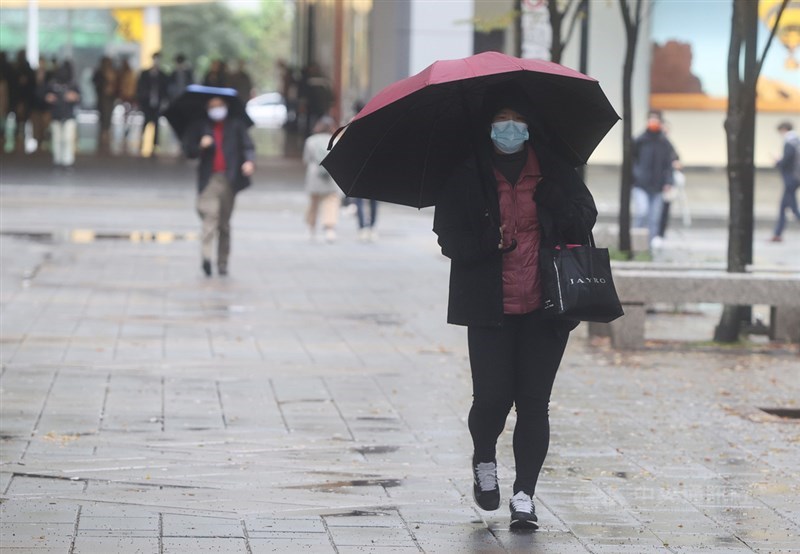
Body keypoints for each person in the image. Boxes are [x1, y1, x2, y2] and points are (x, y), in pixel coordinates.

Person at [433, 85, 597, 530]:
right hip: (490, 305)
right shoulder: (467, 172)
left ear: (529, 125)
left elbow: (586, 218)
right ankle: (484, 458)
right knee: (491, 399)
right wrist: (488, 241)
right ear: (488, 126)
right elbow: (448, 235)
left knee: (534, 403)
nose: (509, 127)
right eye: (501, 119)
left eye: (517, 118)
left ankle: (524, 495)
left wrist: (557, 202)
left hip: (548, 304)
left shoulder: (556, 170)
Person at [183, 96, 255, 277]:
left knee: (224, 224)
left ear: (226, 106)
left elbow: (248, 146)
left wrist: (249, 162)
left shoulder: (236, 125)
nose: (216, 110)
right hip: (209, 180)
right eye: (212, 106)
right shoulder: (201, 126)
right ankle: (206, 257)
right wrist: (200, 145)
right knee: (209, 218)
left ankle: (222, 261)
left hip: (229, 180)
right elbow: (189, 150)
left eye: (219, 106)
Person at [631, 110, 675, 248]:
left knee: (654, 217)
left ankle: (649, 246)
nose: (653, 123)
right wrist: (635, 176)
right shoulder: (640, 140)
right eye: (651, 119)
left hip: (658, 186)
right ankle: (635, 243)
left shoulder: (665, 143)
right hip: (641, 184)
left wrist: (668, 182)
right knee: (641, 212)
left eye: (656, 120)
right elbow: (632, 160)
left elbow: (669, 164)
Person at [302, 116, 340, 242]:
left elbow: (306, 159)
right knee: (331, 202)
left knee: (313, 203)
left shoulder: (310, 141)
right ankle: (329, 229)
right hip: (331, 175)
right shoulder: (336, 141)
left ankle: (310, 228)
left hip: (314, 175)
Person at [44, 61, 81, 168]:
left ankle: (67, 161)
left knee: (67, 139)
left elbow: (79, 98)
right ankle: (59, 160)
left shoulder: (72, 84)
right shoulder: (53, 84)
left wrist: (74, 97)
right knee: (57, 138)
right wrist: (48, 97)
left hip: (68, 114)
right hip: (57, 114)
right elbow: (42, 94)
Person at [771, 121, 800, 242]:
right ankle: (777, 233)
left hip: (791, 178)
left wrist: (778, 161)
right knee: (786, 206)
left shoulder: (790, 142)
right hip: (796, 177)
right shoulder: (797, 140)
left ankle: (777, 233)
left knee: (790, 206)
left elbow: (786, 160)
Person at [136, 52, 168, 157]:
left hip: (157, 102)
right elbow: (140, 88)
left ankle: (155, 144)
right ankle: (141, 141)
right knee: (145, 122)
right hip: (146, 102)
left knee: (156, 124)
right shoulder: (145, 74)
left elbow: (164, 90)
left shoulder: (162, 75)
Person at [92, 56, 118, 153]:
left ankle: (106, 131)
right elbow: (95, 81)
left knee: (108, 114)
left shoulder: (113, 72)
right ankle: (103, 131)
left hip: (110, 97)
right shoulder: (99, 72)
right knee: (103, 114)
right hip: (102, 97)